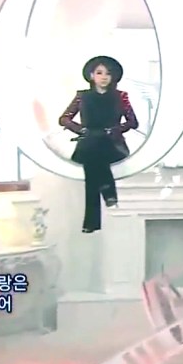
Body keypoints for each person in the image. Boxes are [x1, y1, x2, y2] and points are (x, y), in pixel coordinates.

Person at [59, 56, 139, 233]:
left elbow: (133, 122)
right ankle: (109, 193)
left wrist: (115, 130)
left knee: (94, 161)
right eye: (99, 73)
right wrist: (81, 130)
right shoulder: (82, 97)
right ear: (91, 75)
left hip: (112, 145)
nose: (104, 77)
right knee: (93, 152)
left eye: (108, 74)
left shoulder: (121, 97)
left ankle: (91, 222)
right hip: (89, 142)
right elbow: (64, 119)